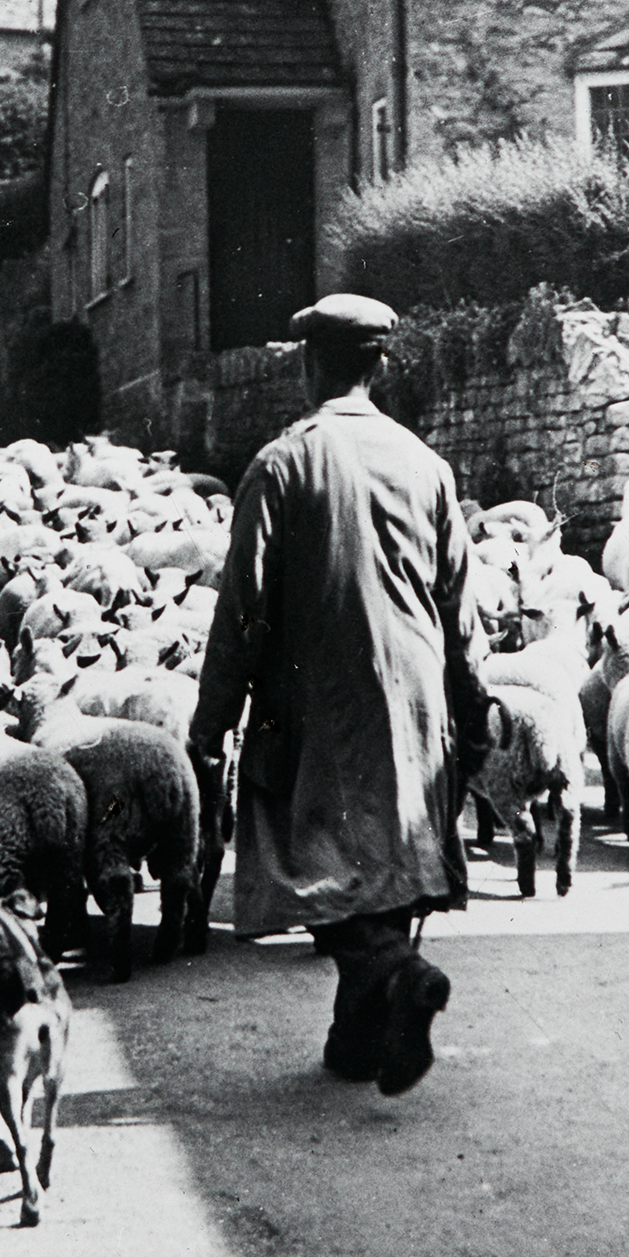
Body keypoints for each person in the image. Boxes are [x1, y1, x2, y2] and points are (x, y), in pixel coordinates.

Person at [186, 293, 490, 1096]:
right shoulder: (426, 464)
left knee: (316, 861)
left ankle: (398, 971)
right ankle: (356, 1038)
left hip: (317, 700)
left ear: (309, 364)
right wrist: (473, 706)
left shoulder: (281, 463)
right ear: (378, 366)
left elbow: (242, 608)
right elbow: (460, 606)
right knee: (386, 856)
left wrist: (210, 723)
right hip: (415, 695)